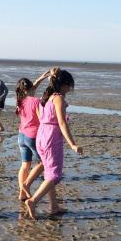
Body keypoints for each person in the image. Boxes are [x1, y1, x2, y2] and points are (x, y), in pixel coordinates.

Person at [25, 69, 83, 219]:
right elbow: (62, 123)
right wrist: (73, 144)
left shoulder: (46, 97)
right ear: (63, 85)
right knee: (55, 175)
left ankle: (53, 206)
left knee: (48, 172)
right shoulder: (58, 98)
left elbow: (44, 116)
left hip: (41, 135)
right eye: (69, 86)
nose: (70, 89)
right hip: (51, 137)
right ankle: (33, 201)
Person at [15, 69, 52, 201]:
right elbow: (42, 118)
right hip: (33, 136)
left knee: (25, 165)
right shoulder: (36, 101)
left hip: (21, 136)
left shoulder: (20, 99)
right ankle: (26, 185)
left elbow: (33, 86)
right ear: (30, 88)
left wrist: (41, 78)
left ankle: (22, 193)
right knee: (44, 163)